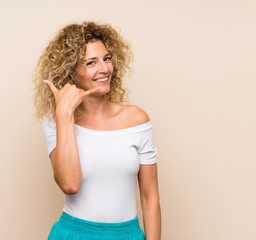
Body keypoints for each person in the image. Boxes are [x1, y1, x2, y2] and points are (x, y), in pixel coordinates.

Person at [33, 21, 161, 240]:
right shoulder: (56, 121)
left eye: (107, 58)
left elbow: (150, 198)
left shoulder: (137, 119)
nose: (104, 69)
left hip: (127, 235)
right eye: (91, 62)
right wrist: (64, 114)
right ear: (71, 72)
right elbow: (70, 184)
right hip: (74, 234)